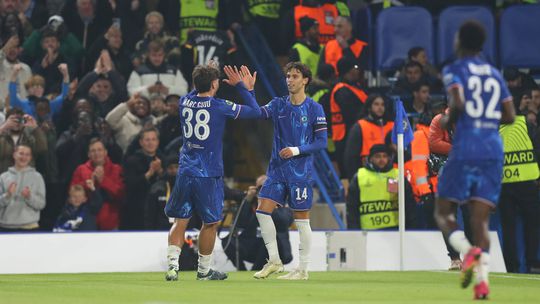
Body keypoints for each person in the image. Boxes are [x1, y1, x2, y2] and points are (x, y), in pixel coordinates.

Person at [434, 21, 516, 300]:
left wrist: (448, 119)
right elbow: (510, 116)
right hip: (493, 149)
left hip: (466, 145)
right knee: (480, 221)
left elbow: (456, 104)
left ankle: (468, 254)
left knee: (444, 212)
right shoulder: (495, 74)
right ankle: (482, 285)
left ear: (460, 42)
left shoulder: (455, 69)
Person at [163, 62, 261, 281]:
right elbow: (255, 111)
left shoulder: (184, 102)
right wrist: (244, 87)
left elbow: (196, 89)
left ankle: (172, 267)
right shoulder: (219, 106)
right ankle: (204, 270)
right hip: (208, 174)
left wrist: (202, 74)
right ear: (215, 84)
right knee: (210, 222)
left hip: (185, 171)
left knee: (181, 219)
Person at [251, 62, 327, 280]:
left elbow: (321, 142)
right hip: (276, 171)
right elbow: (257, 113)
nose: (290, 80)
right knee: (262, 211)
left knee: (302, 219)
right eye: (288, 76)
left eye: (295, 76)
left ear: (305, 80)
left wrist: (296, 150)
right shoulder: (278, 104)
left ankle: (303, 269)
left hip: (300, 173)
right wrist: (248, 91)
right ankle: (274, 261)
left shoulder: (314, 109)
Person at [222, 175, 294, 271]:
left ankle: (255, 270)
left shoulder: (281, 202)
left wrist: (270, 204)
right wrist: (247, 200)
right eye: (260, 188)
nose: (263, 191)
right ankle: (242, 270)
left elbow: (284, 222)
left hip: (276, 250)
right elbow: (239, 224)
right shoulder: (250, 202)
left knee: (268, 238)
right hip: (252, 246)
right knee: (226, 241)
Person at [346, 144, 416, 230]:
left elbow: (408, 204)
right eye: (377, 156)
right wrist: (354, 230)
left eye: (384, 156)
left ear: (389, 158)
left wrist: (411, 228)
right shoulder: (360, 176)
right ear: (371, 158)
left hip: (394, 229)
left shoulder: (396, 175)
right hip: (368, 231)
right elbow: (352, 207)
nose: (381, 159)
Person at [70, 138, 124, 230]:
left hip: (110, 224)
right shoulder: (81, 170)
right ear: (88, 154)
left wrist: (103, 181)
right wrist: (87, 184)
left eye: (99, 150)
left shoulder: (116, 169)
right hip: (85, 224)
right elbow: (72, 192)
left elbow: (120, 193)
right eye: (93, 151)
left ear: (105, 152)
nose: (96, 153)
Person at [0, 144, 46, 232]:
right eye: (21, 153)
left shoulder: (37, 177)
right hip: (6, 226)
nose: (24, 157)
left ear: (30, 157)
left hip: (29, 227)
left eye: (27, 154)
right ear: (14, 155)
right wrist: (8, 195)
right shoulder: (3, 177)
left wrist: (29, 196)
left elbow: (41, 204)